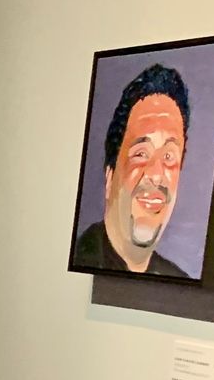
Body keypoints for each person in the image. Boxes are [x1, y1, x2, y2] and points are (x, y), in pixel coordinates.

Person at [73, 64, 191, 278]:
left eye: (168, 157)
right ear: (110, 177)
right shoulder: (82, 264)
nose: (156, 174)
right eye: (141, 153)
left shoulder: (177, 280)